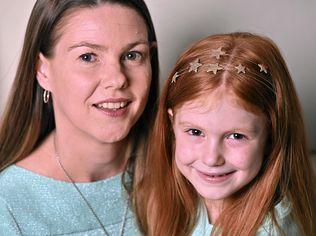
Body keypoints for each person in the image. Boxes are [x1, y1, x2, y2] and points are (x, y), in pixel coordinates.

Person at [0, 0, 159, 235]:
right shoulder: (8, 204)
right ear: (43, 71)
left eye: (132, 55)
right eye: (88, 57)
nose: (117, 79)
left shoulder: (188, 169)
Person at [134, 32, 316, 235]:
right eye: (195, 132)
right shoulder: (172, 199)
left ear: (271, 137)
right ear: (171, 125)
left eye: (236, 136)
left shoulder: (274, 230)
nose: (212, 158)